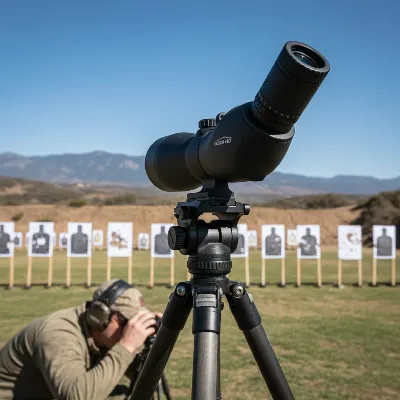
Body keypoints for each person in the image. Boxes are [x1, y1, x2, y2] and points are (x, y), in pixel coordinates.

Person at [0, 279, 162, 400]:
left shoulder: (102, 334)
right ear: (100, 315)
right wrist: (126, 346)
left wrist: (156, 344)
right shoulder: (58, 334)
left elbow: (138, 375)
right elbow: (76, 396)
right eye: (127, 323)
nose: (132, 329)